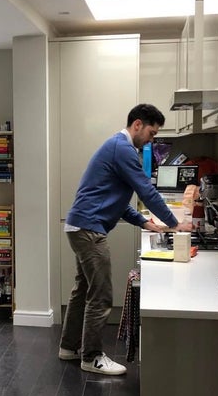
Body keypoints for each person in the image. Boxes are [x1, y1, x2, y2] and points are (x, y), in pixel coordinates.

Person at [60, 103, 193, 375]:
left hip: (80, 226)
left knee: (83, 289)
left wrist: (144, 222)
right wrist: (174, 224)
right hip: (89, 230)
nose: (152, 140)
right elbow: (147, 192)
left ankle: (68, 347)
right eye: (152, 133)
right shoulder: (123, 149)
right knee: (101, 295)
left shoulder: (117, 147)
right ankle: (91, 357)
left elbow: (115, 199)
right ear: (137, 125)